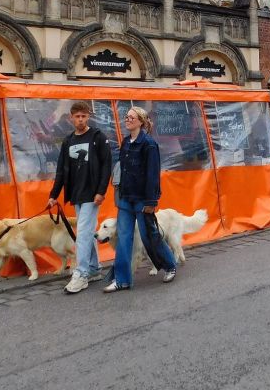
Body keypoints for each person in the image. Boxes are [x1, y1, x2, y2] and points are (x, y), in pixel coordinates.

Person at [104, 106, 177, 292]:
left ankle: (170, 265)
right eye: (126, 117)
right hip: (126, 198)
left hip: (143, 199)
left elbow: (153, 174)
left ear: (141, 122)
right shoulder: (126, 142)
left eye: (131, 117)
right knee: (124, 239)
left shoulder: (149, 144)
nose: (127, 120)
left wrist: (151, 202)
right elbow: (123, 170)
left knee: (149, 236)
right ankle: (122, 279)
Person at [49, 101, 112, 294]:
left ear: (88, 117)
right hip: (76, 193)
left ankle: (82, 273)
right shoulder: (68, 141)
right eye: (77, 116)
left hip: (92, 195)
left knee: (83, 232)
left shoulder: (97, 137)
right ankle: (94, 269)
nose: (80, 119)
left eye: (84, 116)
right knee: (86, 232)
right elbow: (60, 170)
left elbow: (106, 165)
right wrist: (53, 195)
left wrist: (101, 191)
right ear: (71, 118)